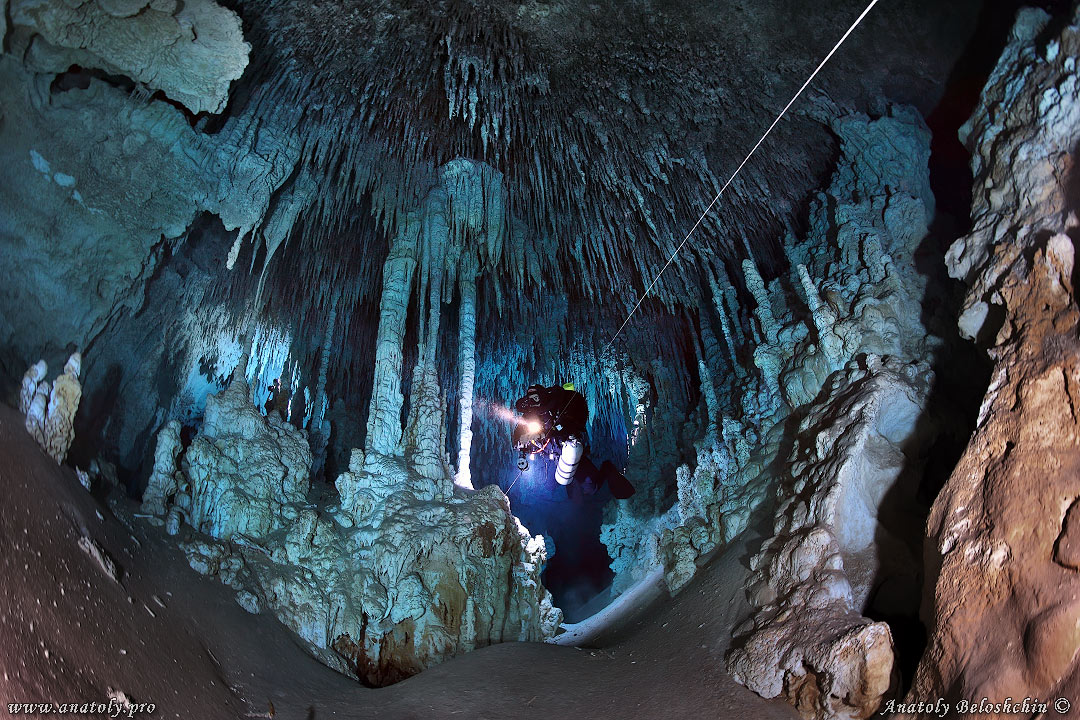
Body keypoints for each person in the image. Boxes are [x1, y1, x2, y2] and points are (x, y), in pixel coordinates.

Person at [512, 383, 635, 499]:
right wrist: (520, 445)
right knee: (553, 485)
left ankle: (607, 469)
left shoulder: (557, 408)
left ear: (543, 396)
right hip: (552, 456)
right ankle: (570, 495)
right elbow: (520, 430)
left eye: (536, 398)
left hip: (569, 449)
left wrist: (544, 433)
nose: (534, 402)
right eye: (531, 399)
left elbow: (571, 425)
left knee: (592, 488)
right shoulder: (531, 414)